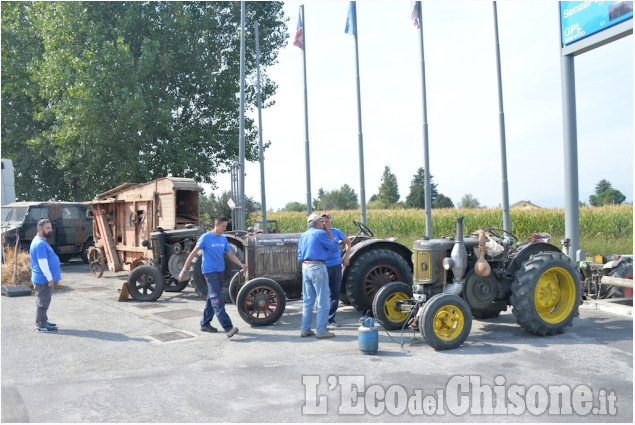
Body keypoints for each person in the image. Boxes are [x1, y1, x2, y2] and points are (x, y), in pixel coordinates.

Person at [179, 217, 247, 338]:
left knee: (212, 297)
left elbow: (230, 255)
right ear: (216, 224)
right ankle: (228, 328)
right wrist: (184, 270)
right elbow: (193, 254)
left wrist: (241, 264)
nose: (225, 228)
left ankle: (205, 323)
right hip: (209, 272)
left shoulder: (223, 239)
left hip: (220, 271)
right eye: (223, 226)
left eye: (225, 226)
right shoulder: (205, 238)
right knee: (218, 300)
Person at [297, 213, 340, 339]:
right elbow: (334, 247)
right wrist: (328, 232)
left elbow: (300, 255)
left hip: (306, 267)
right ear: (317, 223)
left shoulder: (303, 235)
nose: (324, 224)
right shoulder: (321, 233)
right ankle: (321, 331)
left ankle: (305, 329)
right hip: (318, 267)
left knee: (308, 300)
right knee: (323, 300)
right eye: (321, 222)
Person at [320, 212, 351, 327]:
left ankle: (331, 319)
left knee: (335, 293)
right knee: (323, 294)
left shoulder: (336, 232)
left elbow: (348, 242)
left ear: (331, 222)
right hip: (323, 266)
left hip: (336, 265)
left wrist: (346, 257)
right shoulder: (318, 234)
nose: (324, 223)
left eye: (326, 221)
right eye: (322, 221)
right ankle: (322, 319)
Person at [30, 219, 61, 333]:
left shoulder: (40, 241)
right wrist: (50, 278)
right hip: (42, 279)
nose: (50, 230)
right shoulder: (40, 244)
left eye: (51, 228)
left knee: (44, 301)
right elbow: (42, 263)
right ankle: (41, 325)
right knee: (42, 302)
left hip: (42, 278)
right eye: (47, 228)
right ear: (40, 229)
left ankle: (43, 321)